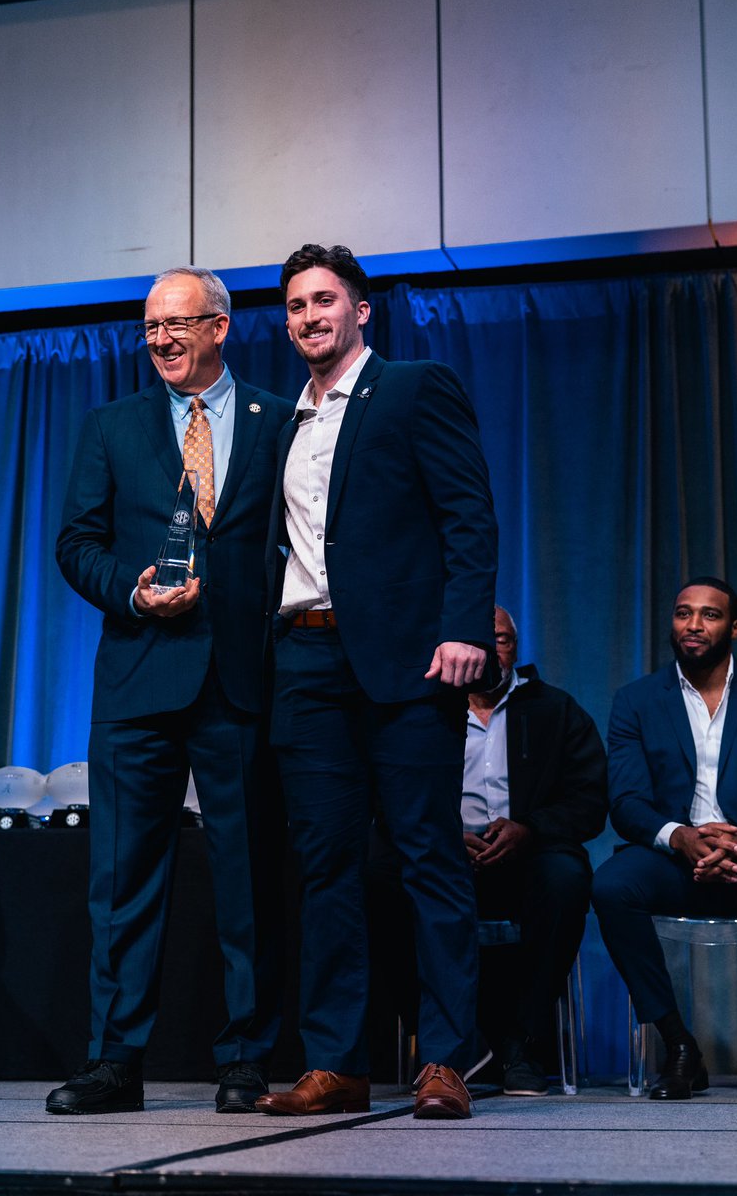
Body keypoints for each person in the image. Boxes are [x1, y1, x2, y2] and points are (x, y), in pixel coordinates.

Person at [256, 244, 497, 1120]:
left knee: (428, 856)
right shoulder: (286, 420)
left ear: (363, 311)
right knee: (324, 867)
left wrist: (466, 625)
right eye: (294, 306)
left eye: (324, 300)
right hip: (307, 661)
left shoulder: (413, 387)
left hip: (404, 660)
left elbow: (468, 511)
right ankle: (337, 1063)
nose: (308, 316)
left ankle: (443, 1061)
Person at [50, 266, 291, 1115]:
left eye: (176, 323)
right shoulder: (111, 425)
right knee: (121, 879)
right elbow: (76, 543)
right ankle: (114, 1060)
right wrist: (131, 588)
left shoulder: (276, 419)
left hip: (240, 679)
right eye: (149, 327)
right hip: (138, 679)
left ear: (220, 326)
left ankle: (246, 1058)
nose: (159, 339)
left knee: (247, 878)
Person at [592, 577, 737, 1100]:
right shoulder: (637, 701)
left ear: (733, 628)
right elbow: (627, 802)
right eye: (683, 613)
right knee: (612, 887)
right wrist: (681, 836)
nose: (693, 625)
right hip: (673, 858)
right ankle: (678, 1045)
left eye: (709, 615)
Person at [461, 605, 607, 1094]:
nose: (488, 650)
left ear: (515, 647)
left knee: (567, 879)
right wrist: (441, 833)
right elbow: (388, 795)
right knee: (376, 875)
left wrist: (528, 827)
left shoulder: (555, 709)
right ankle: (463, 1040)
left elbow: (589, 802)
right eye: (477, 639)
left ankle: (523, 1039)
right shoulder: (425, 712)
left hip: (530, 852)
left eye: (499, 639)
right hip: (445, 854)